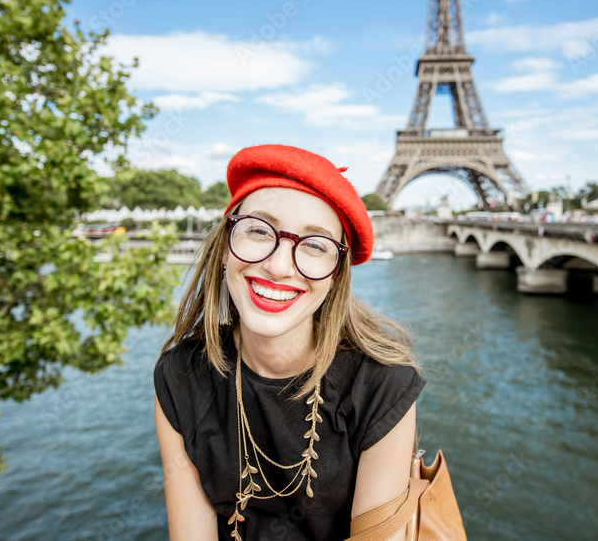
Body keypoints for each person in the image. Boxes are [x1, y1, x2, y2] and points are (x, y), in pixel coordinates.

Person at [154, 144, 425, 540]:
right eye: (259, 230)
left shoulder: (384, 385)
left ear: (335, 276)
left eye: (315, 245)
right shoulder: (179, 376)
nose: (279, 267)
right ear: (226, 246)